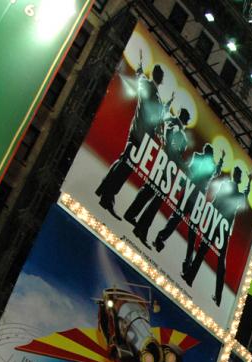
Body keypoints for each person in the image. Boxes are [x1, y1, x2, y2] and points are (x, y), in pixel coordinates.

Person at [96, 58, 166, 218]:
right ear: (160, 78)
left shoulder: (149, 87)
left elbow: (140, 78)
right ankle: (107, 197)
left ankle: (104, 191)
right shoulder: (151, 90)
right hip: (140, 134)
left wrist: (140, 72)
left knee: (124, 162)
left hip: (141, 134)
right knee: (126, 166)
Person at [182, 166, 252, 306]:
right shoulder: (236, 193)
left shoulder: (227, 188)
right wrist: (249, 182)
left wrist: (207, 214)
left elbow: (214, 203)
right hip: (223, 228)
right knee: (219, 259)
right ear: (239, 178)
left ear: (234, 176)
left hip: (217, 224)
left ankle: (190, 277)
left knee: (204, 251)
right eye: (240, 176)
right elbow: (244, 196)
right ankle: (217, 296)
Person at [124, 106, 191, 247]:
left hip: (163, 164)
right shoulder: (177, 128)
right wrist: (184, 167)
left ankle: (132, 216)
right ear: (184, 119)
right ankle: (141, 229)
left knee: (148, 191)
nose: (187, 122)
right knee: (155, 201)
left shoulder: (170, 121)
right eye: (187, 119)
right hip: (167, 167)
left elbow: (164, 134)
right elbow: (173, 151)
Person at [153, 143, 225, 267]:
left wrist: (180, 186)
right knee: (191, 229)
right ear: (210, 154)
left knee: (176, 219)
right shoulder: (210, 164)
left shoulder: (198, 157)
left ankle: (161, 239)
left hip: (190, 194)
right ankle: (187, 261)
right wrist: (221, 160)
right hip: (195, 199)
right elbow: (216, 171)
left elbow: (189, 172)